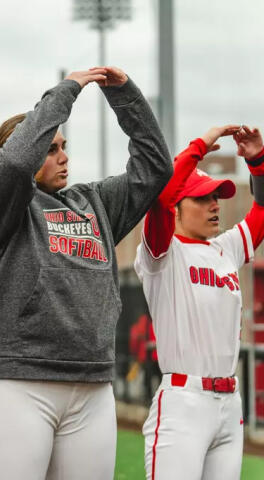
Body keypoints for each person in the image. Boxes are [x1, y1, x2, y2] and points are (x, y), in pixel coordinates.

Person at [0, 66, 172, 480]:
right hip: (16, 382)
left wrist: (124, 95)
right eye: (51, 148)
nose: (64, 156)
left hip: (91, 383)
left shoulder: (92, 202)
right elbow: (17, 164)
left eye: (65, 146)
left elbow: (155, 167)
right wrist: (67, 92)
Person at [134, 124, 264, 479]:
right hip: (183, 402)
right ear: (178, 207)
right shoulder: (162, 254)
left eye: (216, 197)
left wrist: (258, 163)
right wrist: (200, 145)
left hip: (229, 402)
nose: (214, 205)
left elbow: (262, 211)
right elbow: (160, 199)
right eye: (202, 198)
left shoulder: (224, 248)